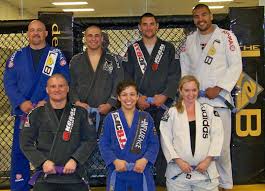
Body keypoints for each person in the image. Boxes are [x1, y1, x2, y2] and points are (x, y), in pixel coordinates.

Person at [180, 4, 242, 190]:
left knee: (221, 148)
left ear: (211, 15)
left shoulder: (226, 36)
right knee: (201, 146)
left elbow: (236, 65)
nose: (201, 19)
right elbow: (186, 70)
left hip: (219, 100)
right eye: (196, 16)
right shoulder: (188, 41)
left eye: (204, 14)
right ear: (193, 19)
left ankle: (226, 184)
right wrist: (187, 94)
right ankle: (205, 182)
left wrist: (221, 87)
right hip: (196, 101)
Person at [3, 20, 70, 191]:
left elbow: (64, 80)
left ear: (46, 33)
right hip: (24, 112)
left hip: (49, 112)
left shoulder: (56, 54)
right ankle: (19, 186)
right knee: (20, 151)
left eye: (39, 30)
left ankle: (48, 185)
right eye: (32, 30)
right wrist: (21, 102)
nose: (36, 33)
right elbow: (9, 83)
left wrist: (48, 102)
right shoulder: (16, 56)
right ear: (27, 33)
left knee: (49, 150)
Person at [123, 12, 181, 186]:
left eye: (151, 24)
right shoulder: (133, 49)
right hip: (139, 105)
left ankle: (165, 179)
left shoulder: (169, 48)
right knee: (140, 141)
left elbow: (175, 75)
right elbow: (127, 76)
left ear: (157, 26)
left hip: (163, 104)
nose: (148, 27)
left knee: (165, 142)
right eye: (145, 24)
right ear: (140, 27)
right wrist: (136, 97)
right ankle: (140, 178)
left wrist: (164, 95)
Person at [20, 74, 97, 191]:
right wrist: (43, 162)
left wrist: (75, 160)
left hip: (74, 175)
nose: (57, 89)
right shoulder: (36, 114)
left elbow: (90, 140)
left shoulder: (81, 113)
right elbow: (25, 143)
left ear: (67, 88)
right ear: (47, 89)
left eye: (61, 86)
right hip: (46, 176)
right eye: (53, 86)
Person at [160, 75, 224, 191]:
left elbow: (217, 137)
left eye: (194, 90)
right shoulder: (171, 113)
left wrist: (207, 160)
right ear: (180, 91)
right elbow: (165, 139)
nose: (191, 94)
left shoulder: (209, 111)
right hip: (178, 172)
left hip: (205, 171)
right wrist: (178, 161)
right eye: (187, 90)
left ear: (198, 91)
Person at [99, 80, 159, 191]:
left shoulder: (146, 118)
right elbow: (103, 144)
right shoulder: (110, 118)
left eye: (132, 94)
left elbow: (154, 143)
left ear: (137, 97)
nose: (128, 98)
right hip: (118, 171)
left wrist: (145, 160)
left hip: (141, 171)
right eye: (124, 95)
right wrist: (114, 161)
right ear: (118, 97)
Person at [69, 25, 123, 132]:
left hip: (107, 112)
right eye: (90, 36)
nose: (93, 39)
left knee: (106, 144)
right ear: (85, 38)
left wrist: (110, 104)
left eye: (97, 35)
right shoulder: (76, 60)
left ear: (102, 38)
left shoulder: (113, 59)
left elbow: (119, 82)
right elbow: (70, 84)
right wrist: (77, 103)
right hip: (82, 112)